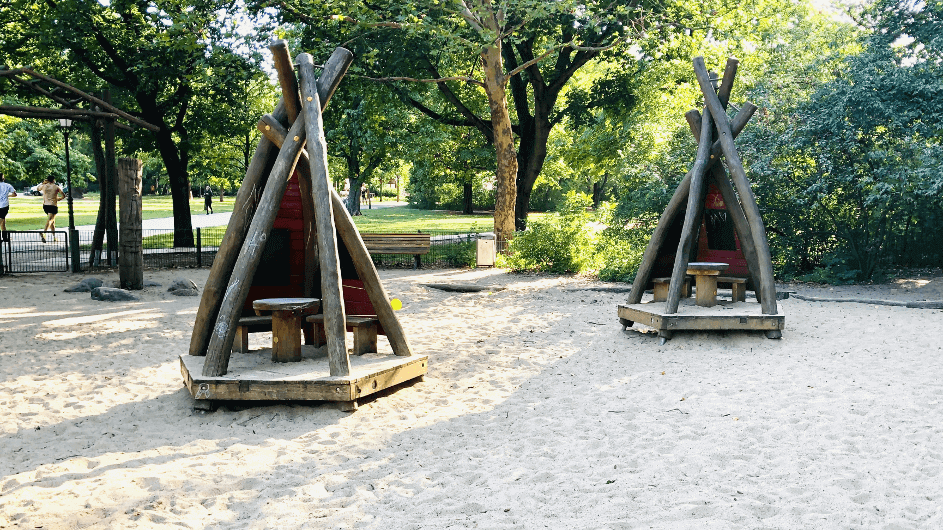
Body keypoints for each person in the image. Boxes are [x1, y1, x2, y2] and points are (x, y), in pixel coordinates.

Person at [37, 177, 65, 243]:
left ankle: (54, 237)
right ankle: (44, 233)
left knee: (52, 222)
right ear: (53, 180)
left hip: (45, 206)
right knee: (50, 220)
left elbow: (38, 189)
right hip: (53, 205)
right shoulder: (56, 187)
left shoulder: (43, 186)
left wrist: (43, 183)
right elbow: (63, 195)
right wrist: (58, 199)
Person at [0, 173, 17, 242]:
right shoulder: (7, 185)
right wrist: (7, 196)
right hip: (4, 205)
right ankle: (5, 238)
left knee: (2, 221)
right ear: (3, 178)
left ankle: (5, 238)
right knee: (2, 220)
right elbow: (14, 194)